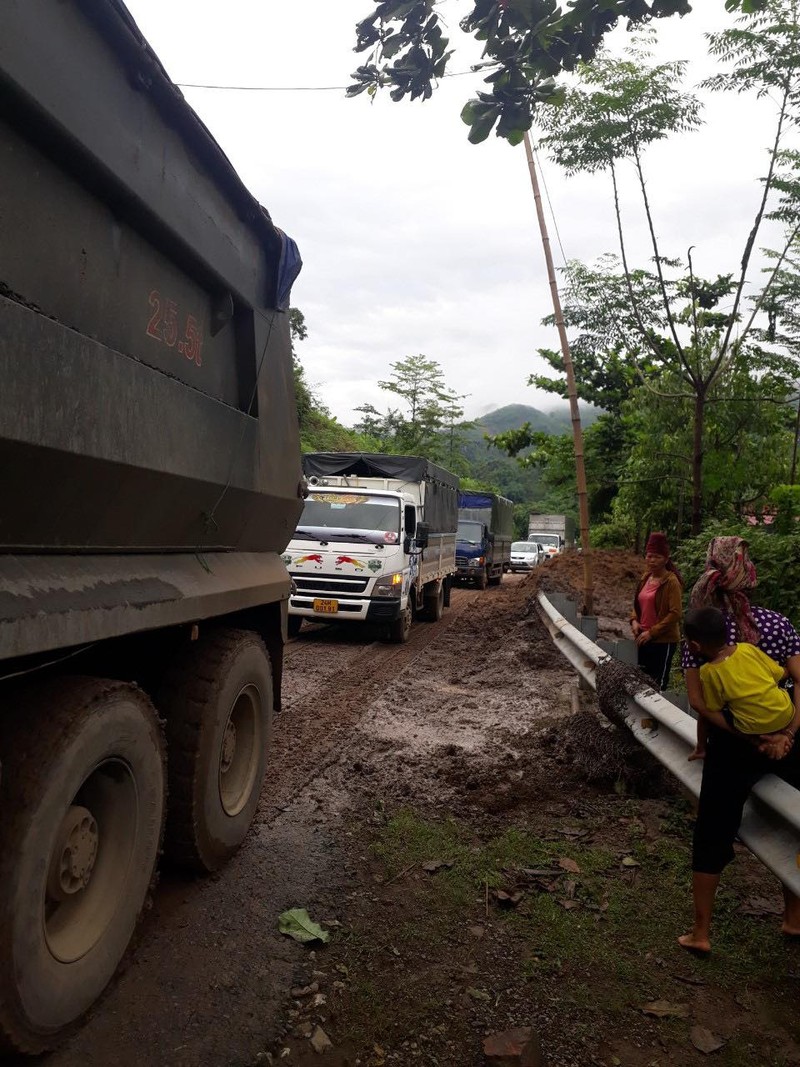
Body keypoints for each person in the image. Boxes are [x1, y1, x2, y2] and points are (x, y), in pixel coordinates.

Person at [680, 535, 800, 954]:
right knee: (795, 824)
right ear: (747, 578)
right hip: (791, 735)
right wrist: (786, 734)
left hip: (732, 746)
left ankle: (701, 931)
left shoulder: (699, 628)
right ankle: (793, 918)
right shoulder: (777, 623)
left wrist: (749, 736)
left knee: (713, 830)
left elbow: (698, 703)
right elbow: (796, 679)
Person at [684, 605, 798, 762]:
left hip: (752, 729)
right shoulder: (748, 648)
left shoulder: (707, 672)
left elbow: (712, 707)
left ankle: (705, 748)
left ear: (695, 646)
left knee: (719, 712)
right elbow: (780, 673)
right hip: (785, 714)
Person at [630, 532, 683, 689]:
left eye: (657, 557)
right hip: (643, 638)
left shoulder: (671, 582)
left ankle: (657, 714)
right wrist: (634, 620)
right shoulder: (645, 578)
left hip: (663, 641)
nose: (652, 560)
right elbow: (637, 603)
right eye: (649, 556)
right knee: (641, 680)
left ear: (666, 559)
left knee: (657, 685)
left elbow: (675, 613)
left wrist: (652, 633)